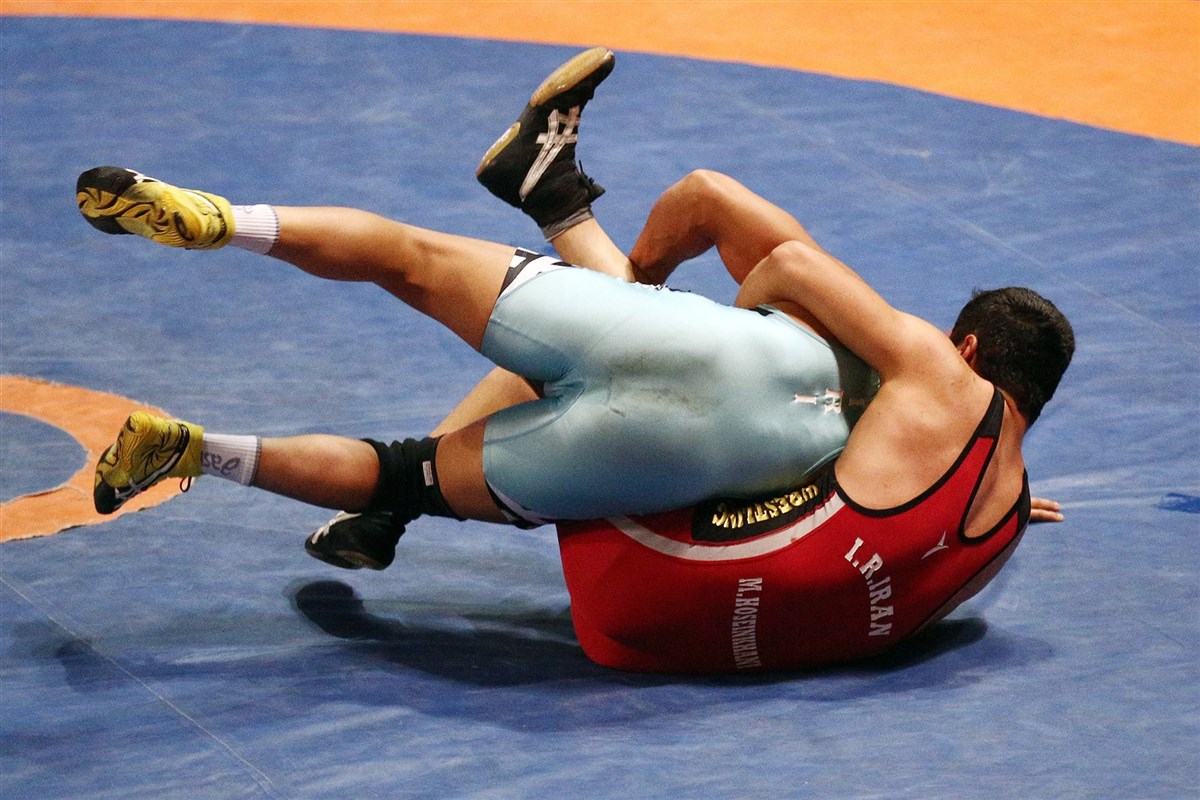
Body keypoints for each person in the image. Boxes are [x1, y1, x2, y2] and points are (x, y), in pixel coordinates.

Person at [79, 48, 1073, 673]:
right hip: (672, 569)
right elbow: (938, 515)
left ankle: (229, 220)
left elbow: (790, 262)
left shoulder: (932, 373)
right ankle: (197, 451)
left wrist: (704, 311)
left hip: (690, 483)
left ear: (970, 349)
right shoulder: (1002, 517)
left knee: (408, 259)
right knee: (400, 472)